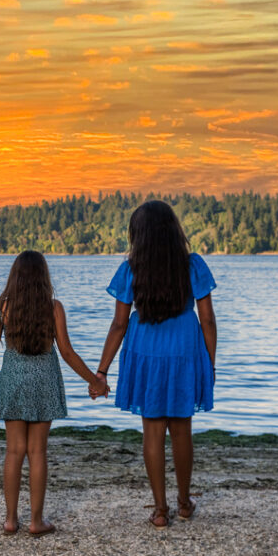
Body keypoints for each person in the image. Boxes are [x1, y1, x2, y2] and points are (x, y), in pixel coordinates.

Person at [0, 251, 107, 537]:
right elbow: (66, 352)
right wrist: (95, 381)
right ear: (43, 277)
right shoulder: (54, 308)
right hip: (44, 382)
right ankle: (36, 521)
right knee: (38, 451)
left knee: (14, 451)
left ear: (14, 277)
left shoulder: (2, 308)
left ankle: (10, 520)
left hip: (12, 381)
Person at [94, 200, 217, 529]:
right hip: (183, 348)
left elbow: (119, 324)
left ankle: (160, 510)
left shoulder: (131, 269)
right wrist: (210, 362)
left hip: (145, 350)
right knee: (181, 430)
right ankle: (184, 502)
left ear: (140, 235)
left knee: (152, 430)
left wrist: (102, 370)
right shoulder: (192, 265)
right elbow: (207, 320)